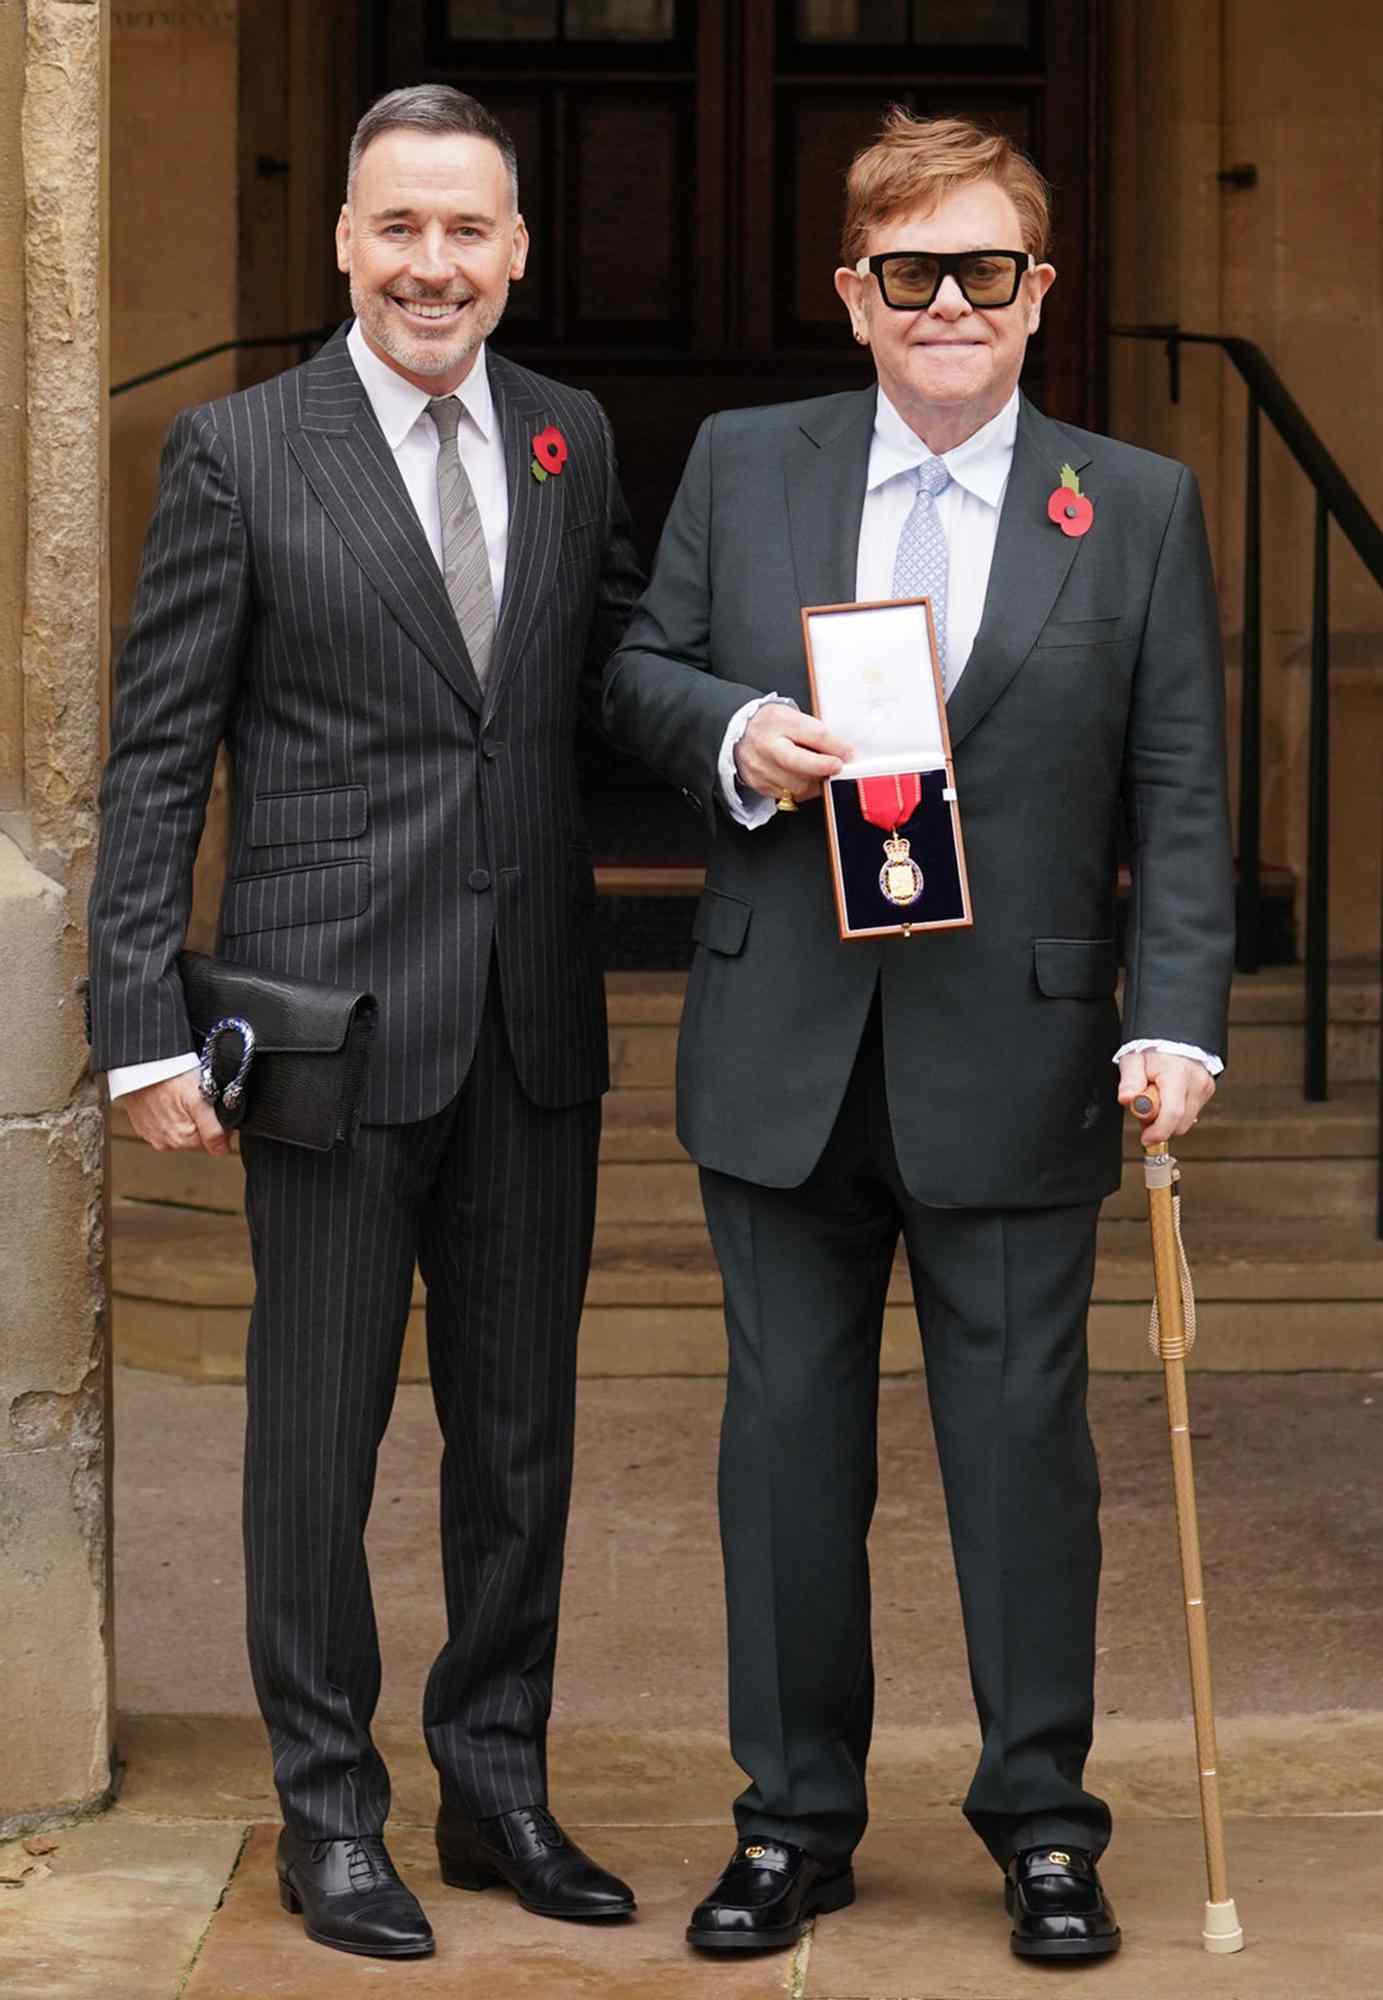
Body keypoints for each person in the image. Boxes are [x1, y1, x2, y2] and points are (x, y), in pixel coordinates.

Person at [602, 110, 1233, 1962]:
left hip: (1020, 1060)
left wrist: (1175, 1018)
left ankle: (1043, 1820)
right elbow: (636, 665)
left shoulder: (1134, 505)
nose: (945, 302)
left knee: (1025, 1459)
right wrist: (736, 733)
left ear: (1040, 293)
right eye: (907, 273)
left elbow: (1185, 790)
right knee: (787, 1458)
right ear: (853, 299)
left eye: (983, 271)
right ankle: (792, 1820)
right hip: (784, 1048)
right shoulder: (745, 460)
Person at [89, 86, 644, 1961]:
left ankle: (493, 1784)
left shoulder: (570, 440)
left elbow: (619, 677)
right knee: (312, 1455)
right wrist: (139, 1025)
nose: (434, 266)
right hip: (321, 1037)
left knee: (521, 1445)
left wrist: (755, 744)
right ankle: (329, 1814)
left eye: (468, 232)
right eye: (398, 228)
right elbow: (156, 756)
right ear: (343, 240)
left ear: (514, 252)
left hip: (533, 1029)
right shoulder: (241, 452)